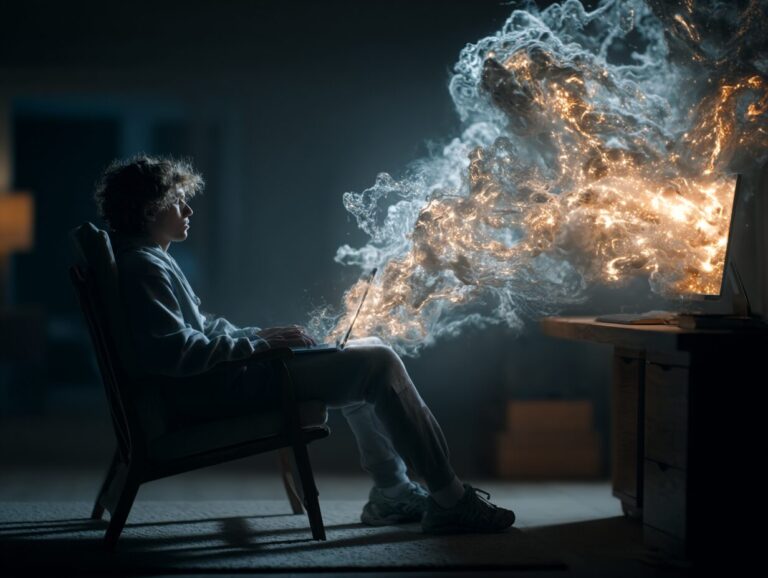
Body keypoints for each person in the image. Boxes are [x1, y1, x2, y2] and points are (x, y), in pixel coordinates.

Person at [94, 154, 516, 534]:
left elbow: (201, 328)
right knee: (378, 363)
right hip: (216, 391)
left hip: (221, 381)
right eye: (177, 201)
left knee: (361, 347)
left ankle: (393, 491)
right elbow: (175, 353)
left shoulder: (150, 258)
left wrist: (259, 335)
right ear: (150, 209)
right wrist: (258, 348)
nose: (188, 210)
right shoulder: (144, 267)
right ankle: (448, 499)